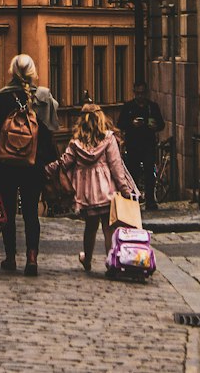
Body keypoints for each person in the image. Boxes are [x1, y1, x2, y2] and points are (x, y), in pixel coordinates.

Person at [0, 54, 59, 277]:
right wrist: (47, 162)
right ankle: (32, 257)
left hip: (7, 165)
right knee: (31, 212)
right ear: (32, 72)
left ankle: (11, 256)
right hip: (33, 167)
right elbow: (49, 133)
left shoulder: (2, 97)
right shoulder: (42, 97)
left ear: (12, 72)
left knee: (9, 212)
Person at [58, 101, 138, 272]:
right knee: (108, 228)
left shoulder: (76, 143)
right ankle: (111, 263)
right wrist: (125, 189)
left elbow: (64, 163)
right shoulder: (109, 139)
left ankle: (87, 260)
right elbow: (116, 167)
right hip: (107, 191)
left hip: (87, 194)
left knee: (90, 227)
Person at [117, 81, 165, 209]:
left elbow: (161, 124)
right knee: (133, 172)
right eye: (138, 93)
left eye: (142, 93)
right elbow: (120, 124)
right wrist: (132, 123)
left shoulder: (152, 107)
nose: (140, 96)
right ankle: (134, 200)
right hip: (133, 144)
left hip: (148, 144)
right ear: (134, 93)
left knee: (149, 171)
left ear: (146, 93)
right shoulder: (129, 107)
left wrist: (155, 125)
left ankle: (150, 200)